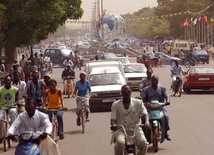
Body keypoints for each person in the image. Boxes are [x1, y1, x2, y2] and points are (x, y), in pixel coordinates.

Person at [110, 85, 150, 155]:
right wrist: (113, 125)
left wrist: (146, 122)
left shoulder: (138, 103)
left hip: (136, 130)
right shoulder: (116, 104)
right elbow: (113, 118)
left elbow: (145, 113)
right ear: (121, 93)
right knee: (120, 142)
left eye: (128, 91)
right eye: (124, 91)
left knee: (144, 143)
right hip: (121, 130)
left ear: (131, 92)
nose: (126, 93)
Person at [140, 75, 171, 141]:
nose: (154, 81)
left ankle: (165, 133)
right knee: (143, 119)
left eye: (156, 80)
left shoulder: (163, 89)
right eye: (153, 80)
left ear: (158, 81)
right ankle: (143, 134)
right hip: (148, 109)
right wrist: (141, 102)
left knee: (166, 116)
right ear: (151, 81)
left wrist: (167, 101)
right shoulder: (146, 89)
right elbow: (142, 98)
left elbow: (167, 96)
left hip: (160, 108)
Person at [0, 75, 19, 142]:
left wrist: (13, 104)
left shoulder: (15, 89)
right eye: (6, 80)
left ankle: (15, 134)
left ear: (11, 81)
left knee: (13, 113)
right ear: (4, 81)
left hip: (12, 107)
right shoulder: (1, 89)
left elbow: (17, 100)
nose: (7, 82)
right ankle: (0, 136)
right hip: (3, 107)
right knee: (0, 118)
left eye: (9, 80)